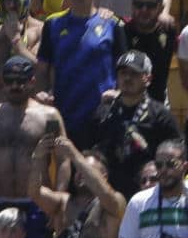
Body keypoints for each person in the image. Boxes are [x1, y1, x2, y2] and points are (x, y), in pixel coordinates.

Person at [0, 54, 68, 238]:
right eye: (9, 81)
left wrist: (59, 200)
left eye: (21, 81)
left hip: (36, 202)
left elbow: (63, 158)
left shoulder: (49, 116)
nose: (15, 86)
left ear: (32, 81)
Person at [38, 0, 126, 139]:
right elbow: (42, 69)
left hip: (103, 116)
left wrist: (119, 93)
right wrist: (42, 95)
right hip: (64, 115)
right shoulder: (52, 24)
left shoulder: (113, 24)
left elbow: (125, 69)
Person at [77, 50, 180, 197]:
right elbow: (86, 151)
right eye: (123, 73)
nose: (127, 78)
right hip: (108, 196)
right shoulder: (102, 113)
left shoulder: (161, 115)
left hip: (148, 194)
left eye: (134, 73)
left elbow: (177, 154)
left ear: (148, 78)